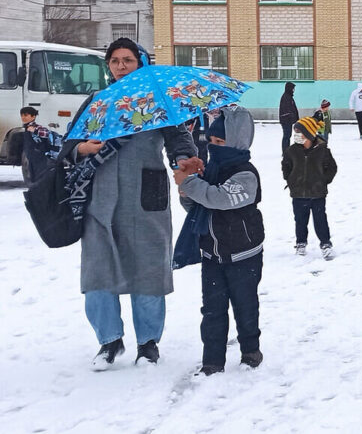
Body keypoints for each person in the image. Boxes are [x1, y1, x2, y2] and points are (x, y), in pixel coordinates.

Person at [61, 38, 200, 369]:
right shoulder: (96, 102)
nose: (121, 66)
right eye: (114, 61)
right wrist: (82, 150)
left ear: (141, 63)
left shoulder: (159, 102)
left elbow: (179, 140)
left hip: (145, 198)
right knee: (98, 272)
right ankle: (109, 341)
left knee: (148, 270)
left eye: (128, 60)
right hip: (100, 201)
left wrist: (184, 160)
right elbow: (70, 142)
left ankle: (148, 343)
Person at [174, 106, 264, 376]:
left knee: (245, 306)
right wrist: (186, 185)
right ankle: (212, 360)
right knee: (212, 310)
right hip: (211, 253)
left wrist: (191, 185)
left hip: (243, 255)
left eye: (221, 142)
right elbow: (197, 206)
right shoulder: (211, 169)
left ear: (237, 141)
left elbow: (220, 200)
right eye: (211, 142)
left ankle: (250, 350)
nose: (214, 147)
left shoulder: (246, 173)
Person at [282, 116, 338, 259]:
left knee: (320, 220)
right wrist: (291, 180)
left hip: (317, 193)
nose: (296, 136)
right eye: (295, 133)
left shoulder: (322, 150)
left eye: (299, 133)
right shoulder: (291, 151)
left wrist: (323, 181)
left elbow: (332, 168)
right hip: (298, 194)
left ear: (308, 134)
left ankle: (325, 243)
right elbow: (286, 166)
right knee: (300, 220)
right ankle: (301, 243)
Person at [278, 81, 299, 152]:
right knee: (286, 136)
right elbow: (287, 110)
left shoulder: (289, 96)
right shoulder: (286, 97)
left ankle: (287, 150)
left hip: (288, 120)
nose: (294, 90)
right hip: (286, 120)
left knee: (288, 136)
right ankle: (285, 151)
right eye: (293, 89)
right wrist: (292, 117)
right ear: (289, 88)